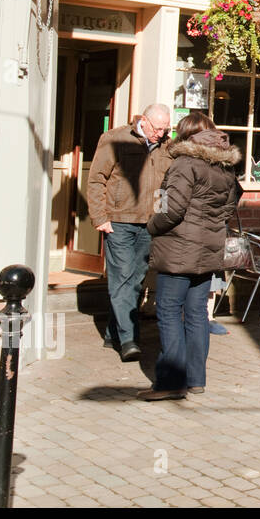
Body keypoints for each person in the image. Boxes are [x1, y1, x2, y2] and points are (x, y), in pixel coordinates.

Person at [141, 112, 242, 400]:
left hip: (179, 249)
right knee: (197, 314)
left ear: (186, 136)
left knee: (169, 311)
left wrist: (151, 225)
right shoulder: (224, 167)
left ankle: (171, 382)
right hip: (209, 248)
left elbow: (170, 209)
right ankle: (196, 379)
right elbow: (229, 208)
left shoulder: (184, 164)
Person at [86, 103, 174, 362]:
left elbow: (165, 187)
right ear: (144, 122)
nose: (161, 133)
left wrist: (163, 217)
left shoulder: (167, 147)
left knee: (135, 280)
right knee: (122, 277)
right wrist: (100, 217)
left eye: (165, 129)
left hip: (149, 223)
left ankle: (114, 332)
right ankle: (128, 340)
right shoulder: (115, 138)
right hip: (119, 221)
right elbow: (96, 179)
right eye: (158, 128)